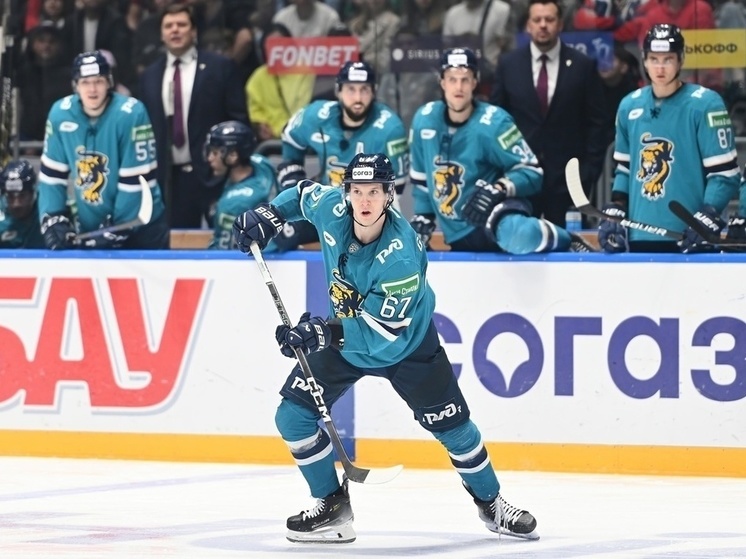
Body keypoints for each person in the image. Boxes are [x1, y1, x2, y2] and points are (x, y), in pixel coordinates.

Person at [231, 152, 539, 544]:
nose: (364, 201)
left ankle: (493, 505)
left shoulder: (401, 256)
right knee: (292, 417)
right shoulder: (332, 209)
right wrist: (270, 215)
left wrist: (321, 334)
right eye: (357, 191)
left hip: (407, 346)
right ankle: (332, 507)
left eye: (374, 192)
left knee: (456, 431)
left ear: (389, 195)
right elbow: (303, 193)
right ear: (346, 193)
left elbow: (381, 334)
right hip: (343, 337)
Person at [409, 47, 594, 254]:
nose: (459, 87)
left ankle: (567, 239)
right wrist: (423, 216)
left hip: (496, 211)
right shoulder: (424, 121)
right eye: (452, 79)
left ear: (474, 82)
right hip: (457, 230)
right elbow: (422, 179)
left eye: (465, 79)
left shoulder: (494, 122)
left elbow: (532, 171)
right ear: (442, 83)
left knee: (517, 233)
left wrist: (498, 188)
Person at [597, 24, 740, 254]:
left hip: (690, 237)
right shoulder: (629, 106)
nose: (660, 67)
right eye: (654, 59)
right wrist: (617, 207)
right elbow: (625, 169)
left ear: (681, 59)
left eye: (668, 59)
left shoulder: (706, 104)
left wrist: (709, 214)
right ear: (644, 60)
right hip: (640, 234)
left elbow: (725, 174)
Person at [490, 0, 608, 228]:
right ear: (528, 25)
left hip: (569, 181)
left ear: (560, 24)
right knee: (521, 242)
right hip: (520, 177)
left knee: (570, 244)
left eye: (549, 19)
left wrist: (588, 172)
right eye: (537, 20)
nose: (543, 25)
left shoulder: (583, 65)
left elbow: (597, 123)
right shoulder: (508, 65)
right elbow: (497, 120)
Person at [271, 60, 409, 251]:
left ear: (374, 91)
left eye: (364, 90)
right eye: (351, 89)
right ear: (338, 90)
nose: (358, 98)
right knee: (279, 233)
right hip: (323, 207)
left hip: (368, 213)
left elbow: (395, 189)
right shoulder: (317, 115)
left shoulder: (389, 128)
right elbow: (290, 135)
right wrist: (292, 171)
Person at [38, 50, 169, 250]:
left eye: (98, 81)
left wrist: (120, 225)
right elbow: (52, 175)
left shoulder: (132, 114)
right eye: (85, 82)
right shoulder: (60, 114)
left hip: (142, 227)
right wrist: (53, 216)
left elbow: (138, 179)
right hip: (91, 226)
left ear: (109, 82)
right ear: (75, 85)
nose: (92, 89)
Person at [138, 3, 248, 229]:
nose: (175, 30)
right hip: (170, 180)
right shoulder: (150, 76)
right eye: (169, 26)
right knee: (178, 242)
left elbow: (239, 119)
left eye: (181, 24)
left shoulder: (220, 67)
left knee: (227, 238)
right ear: (161, 34)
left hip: (215, 174)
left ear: (194, 30)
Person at [203, 120, 277, 249]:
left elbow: (222, 250)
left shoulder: (232, 205)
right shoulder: (262, 164)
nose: (210, 158)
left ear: (233, 156)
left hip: (248, 257)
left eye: (215, 153)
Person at [0, 159, 45, 248]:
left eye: (22, 196)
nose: (16, 204)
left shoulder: (47, 206)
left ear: (33, 193)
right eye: (10, 196)